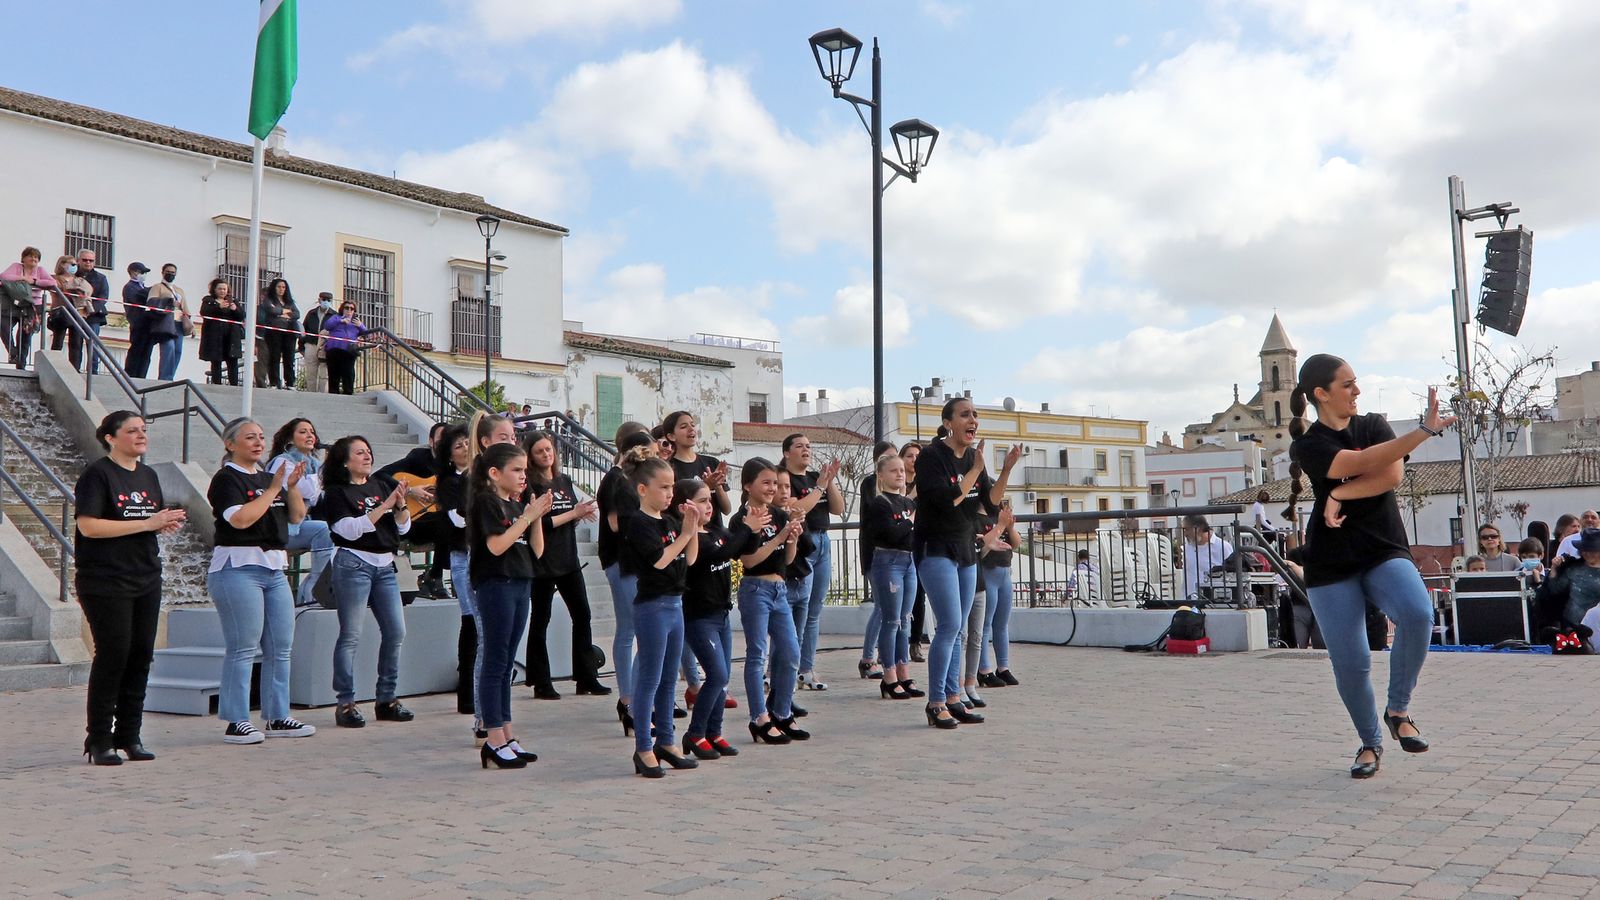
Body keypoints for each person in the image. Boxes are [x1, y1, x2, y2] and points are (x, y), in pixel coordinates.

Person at [1286, 353, 1452, 778]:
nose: (1356, 390)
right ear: (1321, 394)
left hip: (1382, 549)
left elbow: (1390, 475)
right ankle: (1369, 743)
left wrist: (1338, 496)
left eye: (1356, 382)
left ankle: (1398, 711)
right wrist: (1424, 432)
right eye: (1347, 384)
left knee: (1417, 613)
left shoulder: (1374, 424)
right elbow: (1361, 465)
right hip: (1331, 563)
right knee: (1352, 661)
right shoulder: (1310, 444)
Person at [73, 412, 187, 764]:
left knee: (140, 655)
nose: (141, 435)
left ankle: (130, 736)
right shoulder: (97, 475)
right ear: (110, 437)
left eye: (143, 430)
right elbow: (89, 527)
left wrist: (159, 525)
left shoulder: (148, 475)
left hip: (145, 576)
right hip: (105, 579)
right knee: (113, 654)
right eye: (132, 430)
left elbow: (141, 524)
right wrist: (147, 522)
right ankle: (99, 740)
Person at [206, 417, 316, 745]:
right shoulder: (226, 479)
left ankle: (278, 715)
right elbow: (240, 519)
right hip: (237, 567)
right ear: (230, 444)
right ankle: (236, 719)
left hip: (273, 567)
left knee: (281, 646)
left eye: (261, 437)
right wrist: (272, 490)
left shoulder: (272, 478)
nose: (258, 442)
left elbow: (296, 516)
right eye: (249, 437)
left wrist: (291, 487)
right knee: (243, 646)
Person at [915, 397, 1022, 729]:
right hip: (935, 547)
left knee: (959, 630)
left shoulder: (976, 461)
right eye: (965, 415)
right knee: (948, 626)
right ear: (949, 422)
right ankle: (935, 703)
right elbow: (945, 501)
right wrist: (975, 468)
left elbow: (989, 505)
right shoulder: (932, 457)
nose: (973, 419)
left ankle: (952, 697)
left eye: (975, 414)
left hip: (964, 547)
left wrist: (1005, 469)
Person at [620, 451, 703, 778]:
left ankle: (666, 741)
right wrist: (683, 535)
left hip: (675, 604)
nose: (670, 493)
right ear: (643, 489)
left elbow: (690, 559)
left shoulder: (670, 522)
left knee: (670, 678)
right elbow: (658, 560)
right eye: (663, 487)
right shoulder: (637, 522)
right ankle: (643, 747)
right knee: (650, 680)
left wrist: (691, 528)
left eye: (672, 487)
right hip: (652, 606)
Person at [320, 436, 413, 728]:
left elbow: (404, 526)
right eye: (359, 452)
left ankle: (386, 698)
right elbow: (349, 530)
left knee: (396, 631)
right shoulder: (337, 493)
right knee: (351, 634)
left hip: (385, 563)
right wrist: (384, 505)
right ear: (345, 460)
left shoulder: (381, 483)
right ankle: (345, 701)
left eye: (369, 451)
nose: (367, 456)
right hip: (353, 563)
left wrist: (399, 507)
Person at [468, 442, 550, 769]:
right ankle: (493, 738)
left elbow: (538, 551)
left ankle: (508, 735)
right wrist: (527, 516)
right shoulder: (487, 503)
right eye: (516, 470)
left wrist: (536, 517)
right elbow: (497, 545)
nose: (522, 476)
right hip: (496, 584)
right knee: (495, 660)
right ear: (494, 473)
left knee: (506, 664)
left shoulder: (515, 506)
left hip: (520, 581)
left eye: (524, 471)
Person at [523, 430, 608, 698]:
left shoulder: (564, 480)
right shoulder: (531, 486)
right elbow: (540, 523)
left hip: (568, 558)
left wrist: (579, 515)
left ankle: (586, 677)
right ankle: (541, 681)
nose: (547, 455)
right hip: (543, 561)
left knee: (582, 615)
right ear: (531, 457)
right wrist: (573, 513)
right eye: (540, 451)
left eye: (549, 449)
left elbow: (566, 516)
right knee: (540, 620)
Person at [678, 476, 752, 760]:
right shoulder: (691, 539)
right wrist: (747, 528)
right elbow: (723, 553)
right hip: (699, 617)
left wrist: (755, 528)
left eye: (709, 501)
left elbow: (740, 547)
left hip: (721, 615)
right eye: (701, 501)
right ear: (685, 506)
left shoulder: (717, 531)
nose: (708, 506)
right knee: (717, 674)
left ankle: (714, 732)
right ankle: (695, 734)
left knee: (722, 677)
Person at [733, 458, 804, 745]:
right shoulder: (742, 519)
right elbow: (749, 560)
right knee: (757, 654)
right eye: (765, 482)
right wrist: (779, 539)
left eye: (774, 483)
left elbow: (787, 560)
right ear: (748, 485)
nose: (772, 488)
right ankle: (759, 717)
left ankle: (782, 712)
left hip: (779, 589)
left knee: (790, 653)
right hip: (755, 589)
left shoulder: (779, 515)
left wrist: (792, 539)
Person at [663, 411, 730, 703]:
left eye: (693, 425)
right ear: (670, 435)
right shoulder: (669, 467)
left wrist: (714, 486)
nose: (691, 430)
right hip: (686, 539)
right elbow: (666, 505)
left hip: (713, 537)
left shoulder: (709, 463)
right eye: (683, 426)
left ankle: (711, 685)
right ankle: (694, 683)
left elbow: (725, 507)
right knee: (693, 613)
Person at [597, 423, 652, 733]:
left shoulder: (624, 480)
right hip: (623, 563)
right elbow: (618, 525)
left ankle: (632, 698)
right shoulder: (618, 482)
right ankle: (630, 699)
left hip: (629, 563)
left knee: (631, 629)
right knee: (633, 629)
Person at [779, 433, 845, 691]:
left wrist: (829, 482)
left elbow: (838, 509)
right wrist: (819, 487)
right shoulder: (786, 480)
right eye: (799, 446)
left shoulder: (816, 477)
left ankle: (807, 668)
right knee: (794, 611)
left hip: (823, 541)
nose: (806, 450)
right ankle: (783, 668)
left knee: (814, 611)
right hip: (801, 542)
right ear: (787, 452)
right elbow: (797, 509)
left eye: (809, 446)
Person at [863, 451, 922, 701]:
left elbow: (912, 535)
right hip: (888, 562)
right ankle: (889, 677)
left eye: (902, 470)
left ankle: (903, 672)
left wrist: (910, 522)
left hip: (909, 562)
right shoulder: (879, 503)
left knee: (905, 620)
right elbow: (891, 533)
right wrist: (909, 522)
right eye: (893, 470)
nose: (900, 474)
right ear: (881, 475)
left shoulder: (908, 504)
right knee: (891, 621)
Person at [376, 423, 449, 599]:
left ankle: (437, 576)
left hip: (436, 522)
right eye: (441, 440)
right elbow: (380, 475)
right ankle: (435, 578)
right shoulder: (419, 458)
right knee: (447, 522)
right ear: (431, 441)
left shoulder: (455, 464)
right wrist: (410, 491)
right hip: (412, 520)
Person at [267, 418, 334, 607]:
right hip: (281, 526)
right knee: (322, 530)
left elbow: (314, 499)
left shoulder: (311, 463)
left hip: (298, 522)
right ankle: (313, 587)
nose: (310, 436)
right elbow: (309, 492)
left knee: (329, 531)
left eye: (311, 432)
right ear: (290, 439)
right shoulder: (283, 462)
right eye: (303, 432)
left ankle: (315, 583)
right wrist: (325, 468)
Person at [433, 425, 476, 719]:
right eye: (458, 446)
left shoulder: (482, 476)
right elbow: (459, 520)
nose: (464, 449)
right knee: (471, 621)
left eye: (466, 444)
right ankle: (467, 693)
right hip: (464, 555)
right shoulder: (450, 482)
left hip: (485, 555)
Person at [856, 440, 898, 680]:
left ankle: (885, 655)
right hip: (875, 553)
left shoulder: (897, 487)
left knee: (892, 609)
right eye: (886, 459)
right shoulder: (871, 484)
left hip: (896, 555)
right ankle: (868, 658)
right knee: (882, 607)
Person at [977, 502, 1023, 689]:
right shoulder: (975, 519)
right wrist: (1001, 526)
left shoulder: (998, 516)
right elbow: (981, 549)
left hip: (1004, 573)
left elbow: (1016, 543)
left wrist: (1009, 527)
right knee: (985, 624)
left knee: (1002, 624)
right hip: (988, 573)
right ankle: (983, 669)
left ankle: (1003, 666)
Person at [0, 247, 54, 369]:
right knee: (3, 326)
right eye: (30, 256)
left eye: (36, 257)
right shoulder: (16, 267)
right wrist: (23, 278)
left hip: (33, 306)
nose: (33, 258)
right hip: (14, 304)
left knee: (25, 335)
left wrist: (34, 281)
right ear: (23, 258)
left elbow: (51, 282)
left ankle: (21, 364)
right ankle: (13, 352)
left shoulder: (40, 270)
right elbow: (4, 276)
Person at [900, 442, 929, 659]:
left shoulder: (926, 481)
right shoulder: (898, 482)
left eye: (917, 456)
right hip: (900, 542)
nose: (913, 460)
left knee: (919, 594)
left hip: (920, 541)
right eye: (909, 456)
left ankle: (915, 641)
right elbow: (899, 506)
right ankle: (895, 644)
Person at [144, 263, 190, 382]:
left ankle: (171, 376)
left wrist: (191, 324)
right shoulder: (157, 287)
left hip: (179, 323)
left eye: (173, 272)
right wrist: (169, 301)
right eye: (168, 272)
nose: (170, 274)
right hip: (166, 323)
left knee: (178, 350)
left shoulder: (179, 290)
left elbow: (185, 308)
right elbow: (151, 302)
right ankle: (165, 378)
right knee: (168, 348)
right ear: (163, 272)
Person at [48, 254, 93, 371]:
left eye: (75, 265)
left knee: (76, 343)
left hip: (77, 313)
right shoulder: (54, 278)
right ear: (62, 264)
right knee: (58, 341)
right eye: (72, 264)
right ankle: (54, 367)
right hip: (61, 312)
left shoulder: (79, 280)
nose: (75, 267)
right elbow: (53, 288)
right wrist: (68, 287)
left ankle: (75, 368)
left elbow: (89, 290)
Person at [199, 279, 244, 386]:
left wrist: (235, 309)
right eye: (220, 288)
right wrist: (218, 307)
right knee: (216, 360)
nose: (222, 291)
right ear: (214, 289)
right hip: (215, 336)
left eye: (224, 289)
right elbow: (204, 312)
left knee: (232, 361)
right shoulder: (208, 300)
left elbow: (241, 316)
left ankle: (234, 385)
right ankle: (216, 383)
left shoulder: (233, 301)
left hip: (231, 336)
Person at [1180, 515, 1234, 602]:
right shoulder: (1187, 547)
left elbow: (1231, 575)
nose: (1185, 533)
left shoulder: (1223, 547)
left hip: (1213, 601)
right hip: (1187, 601)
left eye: (1186, 529)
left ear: (1197, 529)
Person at [259, 278, 300, 389]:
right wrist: (285, 311)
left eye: (283, 287)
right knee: (274, 357)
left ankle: (290, 383)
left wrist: (282, 312)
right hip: (274, 332)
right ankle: (274, 382)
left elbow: (297, 314)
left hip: (289, 333)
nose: (281, 289)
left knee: (289, 358)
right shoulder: (269, 299)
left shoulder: (289, 301)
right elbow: (271, 311)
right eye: (279, 287)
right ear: (274, 287)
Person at [76, 249, 111, 374]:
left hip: (94, 316)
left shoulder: (101, 278)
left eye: (91, 260)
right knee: (75, 344)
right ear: (78, 260)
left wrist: (89, 309)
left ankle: (93, 372)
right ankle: (75, 370)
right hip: (76, 314)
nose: (88, 263)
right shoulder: (73, 276)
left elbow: (103, 297)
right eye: (85, 260)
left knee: (93, 344)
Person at [321, 300, 366, 395]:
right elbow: (327, 325)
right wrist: (341, 320)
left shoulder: (356, 321)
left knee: (348, 373)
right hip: (334, 349)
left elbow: (366, 333)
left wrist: (360, 326)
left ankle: (348, 393)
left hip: (349, 350)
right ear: (342, 309)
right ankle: (333, 394)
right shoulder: (336, 317)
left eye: (352, 308)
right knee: (333, 373)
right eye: (347, 308)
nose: (349, 310)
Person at [121, 262, 153, 377]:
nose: (143, 275)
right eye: (141, 272)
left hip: (147, 324)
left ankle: (142, 375)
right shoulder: (130, 287)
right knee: (136, 350)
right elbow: (138, 299)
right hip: (137, 323)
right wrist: (154, 290)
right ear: (133, 272)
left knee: (146, 352)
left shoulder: (142, 286)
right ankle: (131, 374)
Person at [300, 292, 333, 393]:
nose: (326, 302)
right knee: (311, 373)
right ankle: (311, 394)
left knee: (324, 374)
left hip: (325, 347)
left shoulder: (334, 315)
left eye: (328, 300)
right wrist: (301, 346)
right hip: (311, 344)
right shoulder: (311, 313)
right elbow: (303, 330)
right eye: (324, 299)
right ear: (319, 300)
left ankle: (322, 395)